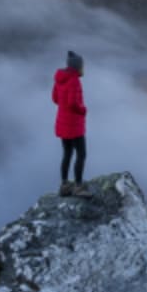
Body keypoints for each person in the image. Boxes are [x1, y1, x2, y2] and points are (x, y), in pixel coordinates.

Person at [52, 50, 87, 196]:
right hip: (74, 124)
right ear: (77, 66)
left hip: (62, 122)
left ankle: (65, 185)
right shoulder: (74, 80)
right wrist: (82, 110)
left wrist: (64, 107)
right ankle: (78, 186)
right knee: (81, 154)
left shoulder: (60, 79)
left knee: (67, 153)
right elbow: (73, 102)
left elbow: (55, 98)